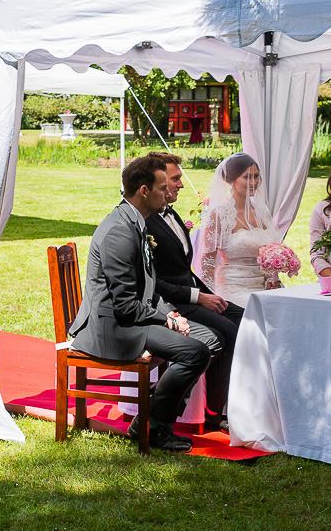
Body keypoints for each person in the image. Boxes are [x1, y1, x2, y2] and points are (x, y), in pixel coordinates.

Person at [65, 155, 221, 451]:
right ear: (144, 191)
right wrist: (166, 320)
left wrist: (170, 312)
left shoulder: (135, 222)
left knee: (210, 340)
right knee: (195, 353)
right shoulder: (119, 231)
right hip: (113, 328)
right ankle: (151, 426)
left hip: (130, 319)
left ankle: (154, 419)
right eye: (163, 187)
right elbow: (124, 305)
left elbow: (146, 288)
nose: (169, 193)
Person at [134, 150, 238, 426]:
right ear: (157, 181)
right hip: (167, 303)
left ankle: (234, 399)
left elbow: (183, 269)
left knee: (242, 315)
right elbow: (152, 281)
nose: (181, 184)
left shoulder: (170, 214)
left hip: (185, 294)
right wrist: (198, 298)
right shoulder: (144, 222)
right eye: (175, 178)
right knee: (224, 332)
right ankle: (214, 411)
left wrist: (208, 293)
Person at [196, 152, 284, 307]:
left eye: (256, 176)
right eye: (246, 177)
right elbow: (207, 262)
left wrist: (272, 278)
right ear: (232, 180)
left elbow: (271, 253)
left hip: (264, 288)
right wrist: (209, 298)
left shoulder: (263, 213)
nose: (253, 182)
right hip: (233, 289)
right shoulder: (219, 215)